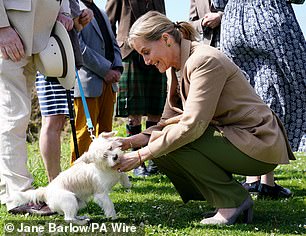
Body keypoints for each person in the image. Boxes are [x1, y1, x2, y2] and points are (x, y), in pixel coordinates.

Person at [112, 11, 295, 225]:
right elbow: (167, 121)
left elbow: (192, 126)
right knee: (162, 140)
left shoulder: (204, 60)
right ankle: (225, 197)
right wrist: (129, 142)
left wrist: (140, 156)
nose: (146, 61)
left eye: (146, 52)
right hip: (237, 139)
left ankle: (233, 201)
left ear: (166, 39)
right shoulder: (176, 66)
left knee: (168, 141)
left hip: (258, 143)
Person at [219, 0, 306, 198]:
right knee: (275, 93)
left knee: (244, 95)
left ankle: (251, 179)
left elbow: (218, 2)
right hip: (269, 16)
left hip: (233, 21)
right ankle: (267, 181)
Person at [0, 0, 72, 215]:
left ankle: (7, 190)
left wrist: (63, 11)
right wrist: (1, 28)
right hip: (9, 32)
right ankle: (19, 195)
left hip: (38, 37)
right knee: (15, 117)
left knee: (12, 117)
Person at [105, 0, 167, 177]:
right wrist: (113, 57)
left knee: (156, 108)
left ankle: (154, 159)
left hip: (156, 51)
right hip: (129, 53)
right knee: (134, 111)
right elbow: (109, 23)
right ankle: (137, 162)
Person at [36, 1, 93, 183]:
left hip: (62, 58)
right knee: (53, 120)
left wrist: (83, 17)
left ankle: (57, 180)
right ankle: (55, 183)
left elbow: (74, 25)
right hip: (52, 56)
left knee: (57, 121)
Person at [70, 0, 123, 163]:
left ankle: (102, 175)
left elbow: (113, 41)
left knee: (106, 134)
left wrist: (117, 67)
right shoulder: (74, 9)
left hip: (109, 83)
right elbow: (77, 45)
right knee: (84, 134)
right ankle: (77, 175)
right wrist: (104, 70)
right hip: (88, 82)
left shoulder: (101, 11)